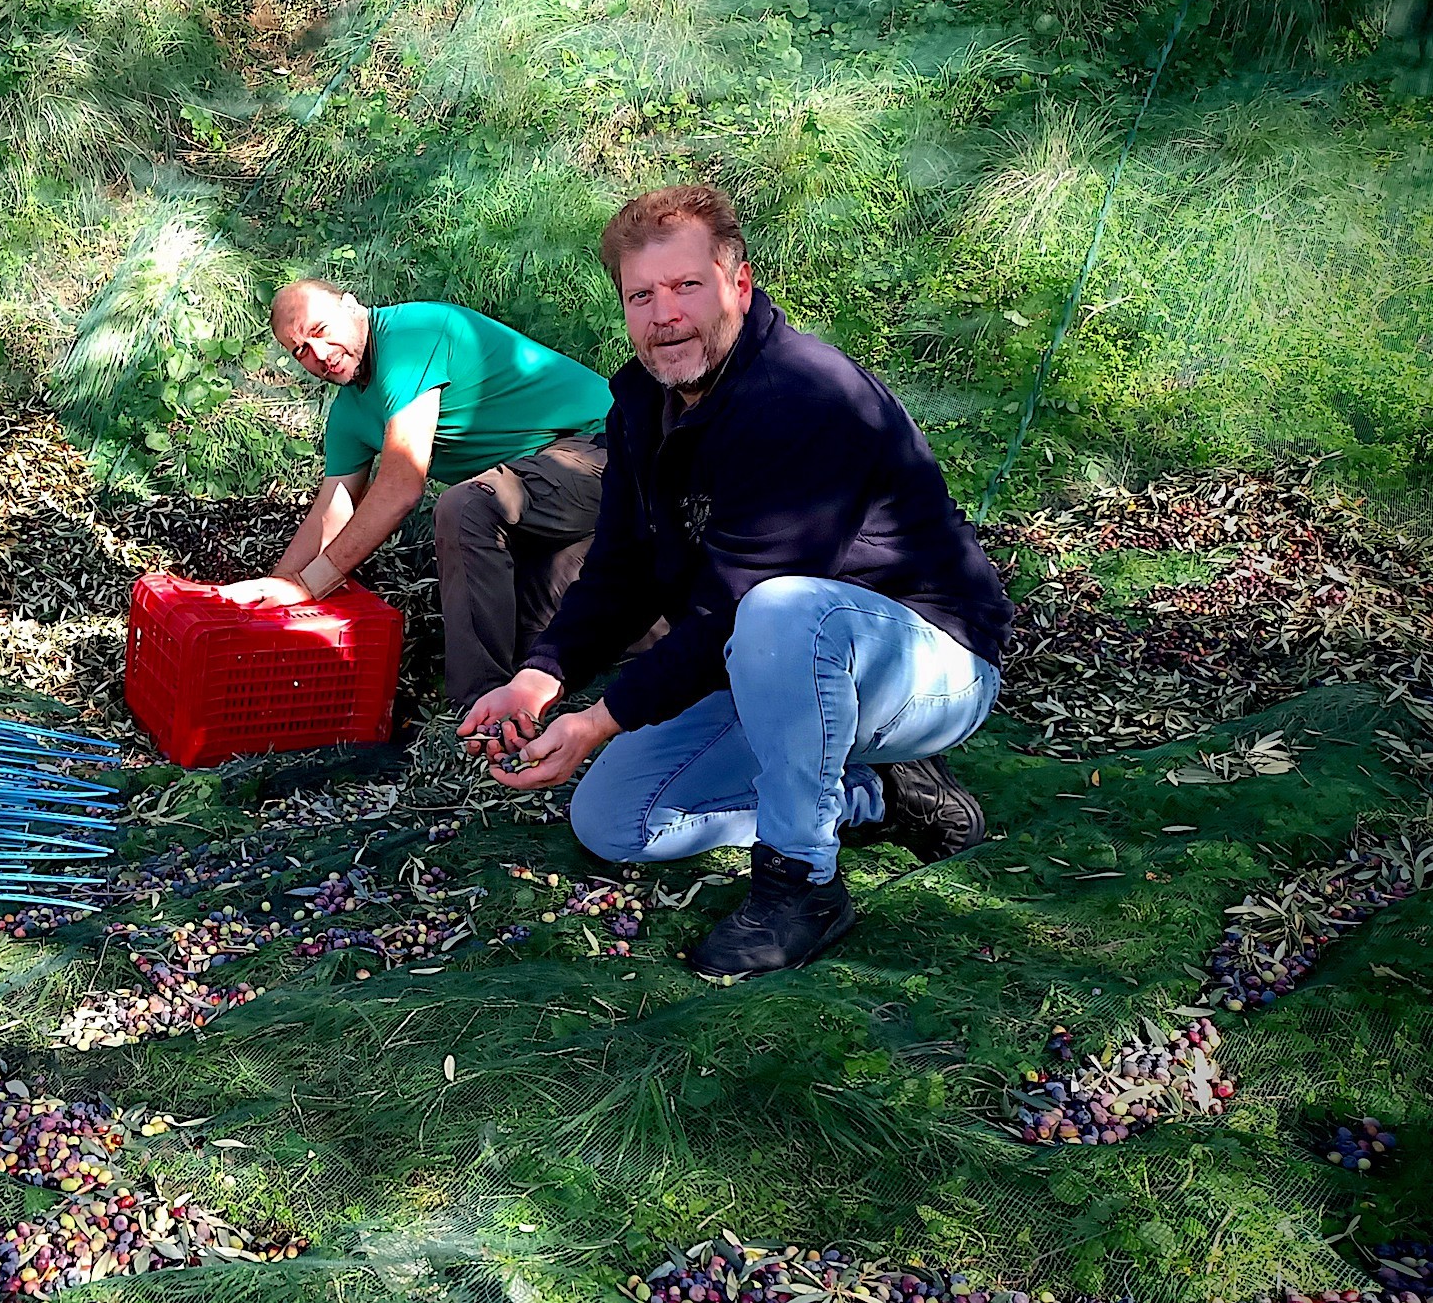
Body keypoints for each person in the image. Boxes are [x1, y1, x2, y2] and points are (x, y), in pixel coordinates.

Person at [462, 186, 1011, 979]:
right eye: (641, 295)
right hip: (779, 667)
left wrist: (597, 722)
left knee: (779, 610)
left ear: (739, 285)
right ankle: (881, 796)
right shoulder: (640, 407)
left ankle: (803, 884)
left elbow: (729, 612)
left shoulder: (804, 396)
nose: (664, 315)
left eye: (687, 286)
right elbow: (619, 568)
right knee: (613, 818)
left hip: (929, 664)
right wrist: (539, 678)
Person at [230, 281, 615, 712]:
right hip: (545, 496)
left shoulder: (412, 336)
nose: (318, 355)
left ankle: (477, 709)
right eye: (300, 350)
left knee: (467, 506)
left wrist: (310, 584)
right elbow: (332, 508)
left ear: (352, 304)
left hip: (609, 447)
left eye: (320, 329)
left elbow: (400, 488)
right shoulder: (350, 412)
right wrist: (274, 592)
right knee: (540, 639)